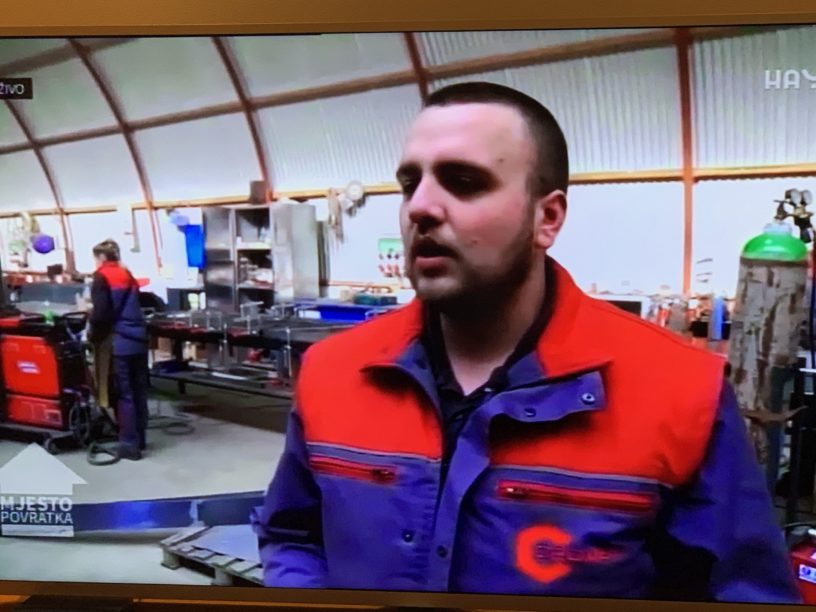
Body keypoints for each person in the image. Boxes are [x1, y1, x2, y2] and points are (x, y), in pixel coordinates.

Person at [251, 82, 801, 602]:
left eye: (464, 181)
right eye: (410, 183)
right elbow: (293, 536)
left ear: (547, 218)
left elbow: (742, 592)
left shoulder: (680, 392)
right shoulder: (332, 371)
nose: (420, 207)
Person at [88, 239, 149, 461]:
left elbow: (102, 314)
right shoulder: (127, 274)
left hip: (120, 342)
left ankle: (128, 445)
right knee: (139, 391)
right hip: (139, 340)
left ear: (102, 257)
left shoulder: (101, 276)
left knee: (124, 394)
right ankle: (140, 439)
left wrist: (92, 336)